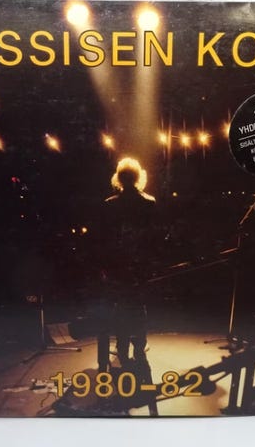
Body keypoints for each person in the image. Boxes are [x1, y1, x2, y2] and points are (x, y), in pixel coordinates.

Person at [97, 157, 156, 373]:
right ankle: (139, 347)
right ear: (138, 176)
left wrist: (104, 267)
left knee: (121, 308)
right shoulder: (149, 203)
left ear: (119, 178)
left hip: (118, 266)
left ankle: (122, 348)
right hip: (140, 266)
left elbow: (104, 241)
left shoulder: (110, 205)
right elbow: (153, 239)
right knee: (139, 308)